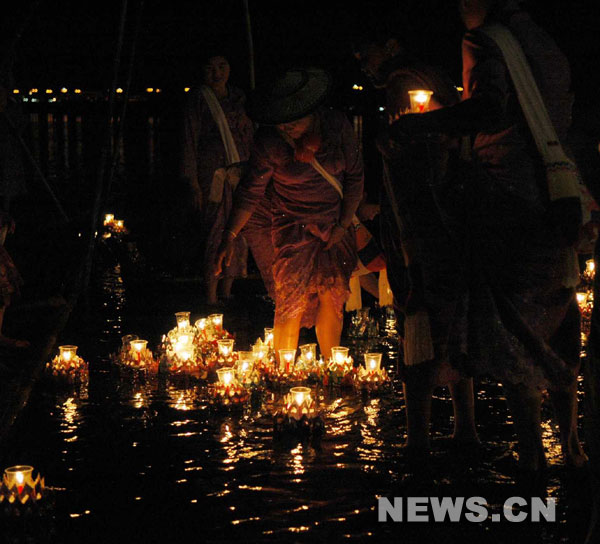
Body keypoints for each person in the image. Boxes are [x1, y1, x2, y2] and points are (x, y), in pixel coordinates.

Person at [387, 0, 586, 473]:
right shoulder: (546, 44)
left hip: (506, 206)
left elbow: (491, 107)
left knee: (513, 326)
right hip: (556, 200)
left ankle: (534, 459)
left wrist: (425, 123)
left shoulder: (485, 40)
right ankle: (574, 451)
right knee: (559, 319)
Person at [353, 27, 479, 454]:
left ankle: (420, 439)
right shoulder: (431, 80)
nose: (362, 62)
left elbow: (416, 161)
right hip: (449, 224)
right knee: (453, 327)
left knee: (420, 327)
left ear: (390, 45)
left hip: (421, 228)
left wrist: (395, 142)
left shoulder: (402, 85)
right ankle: (464, 431)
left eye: (365, 51)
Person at [215, 67, 364, 361]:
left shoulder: (336, 127)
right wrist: (229, 236)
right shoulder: (269, 142)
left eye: (293, 122)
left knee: (331, 296)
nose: (285, 128)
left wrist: (343, 225)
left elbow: (356, 177)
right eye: (280, 123)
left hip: (334, 226)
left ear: (312, 111)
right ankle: (283, 372)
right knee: (290, 299)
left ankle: (331, 368)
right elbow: (250, 192)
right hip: (292, 227)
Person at [180, 51, 254, 305]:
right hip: (213, 176)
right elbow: (189, 141)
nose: (217, 73)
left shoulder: (239, 99)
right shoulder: (199, 100)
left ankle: (227, 291)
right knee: (215, 231)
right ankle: (211, 296)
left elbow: (249, 135)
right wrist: (192, 183)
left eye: (222, 66)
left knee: (239, 231)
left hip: (241, 171)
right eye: (211, 67)